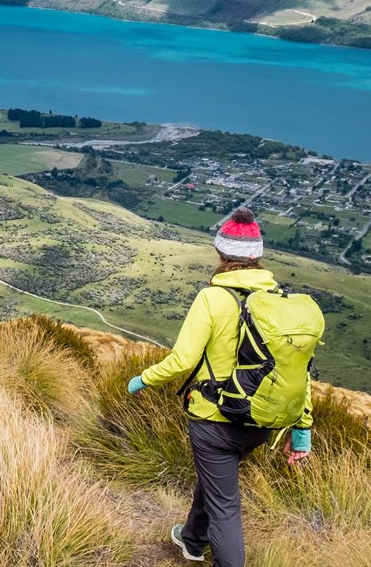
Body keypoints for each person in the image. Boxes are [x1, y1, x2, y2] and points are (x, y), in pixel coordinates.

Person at [127, 207, 312, 565]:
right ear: (257, 256)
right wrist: (302, 430)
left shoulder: (212, 298)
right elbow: (299, 372)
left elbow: (182, 360)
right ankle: (193, 541)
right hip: (262, 419)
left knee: (225, 507)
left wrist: (140, 380)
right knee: (217, 481)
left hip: (215, 419)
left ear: (221, 254)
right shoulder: (280, 300)